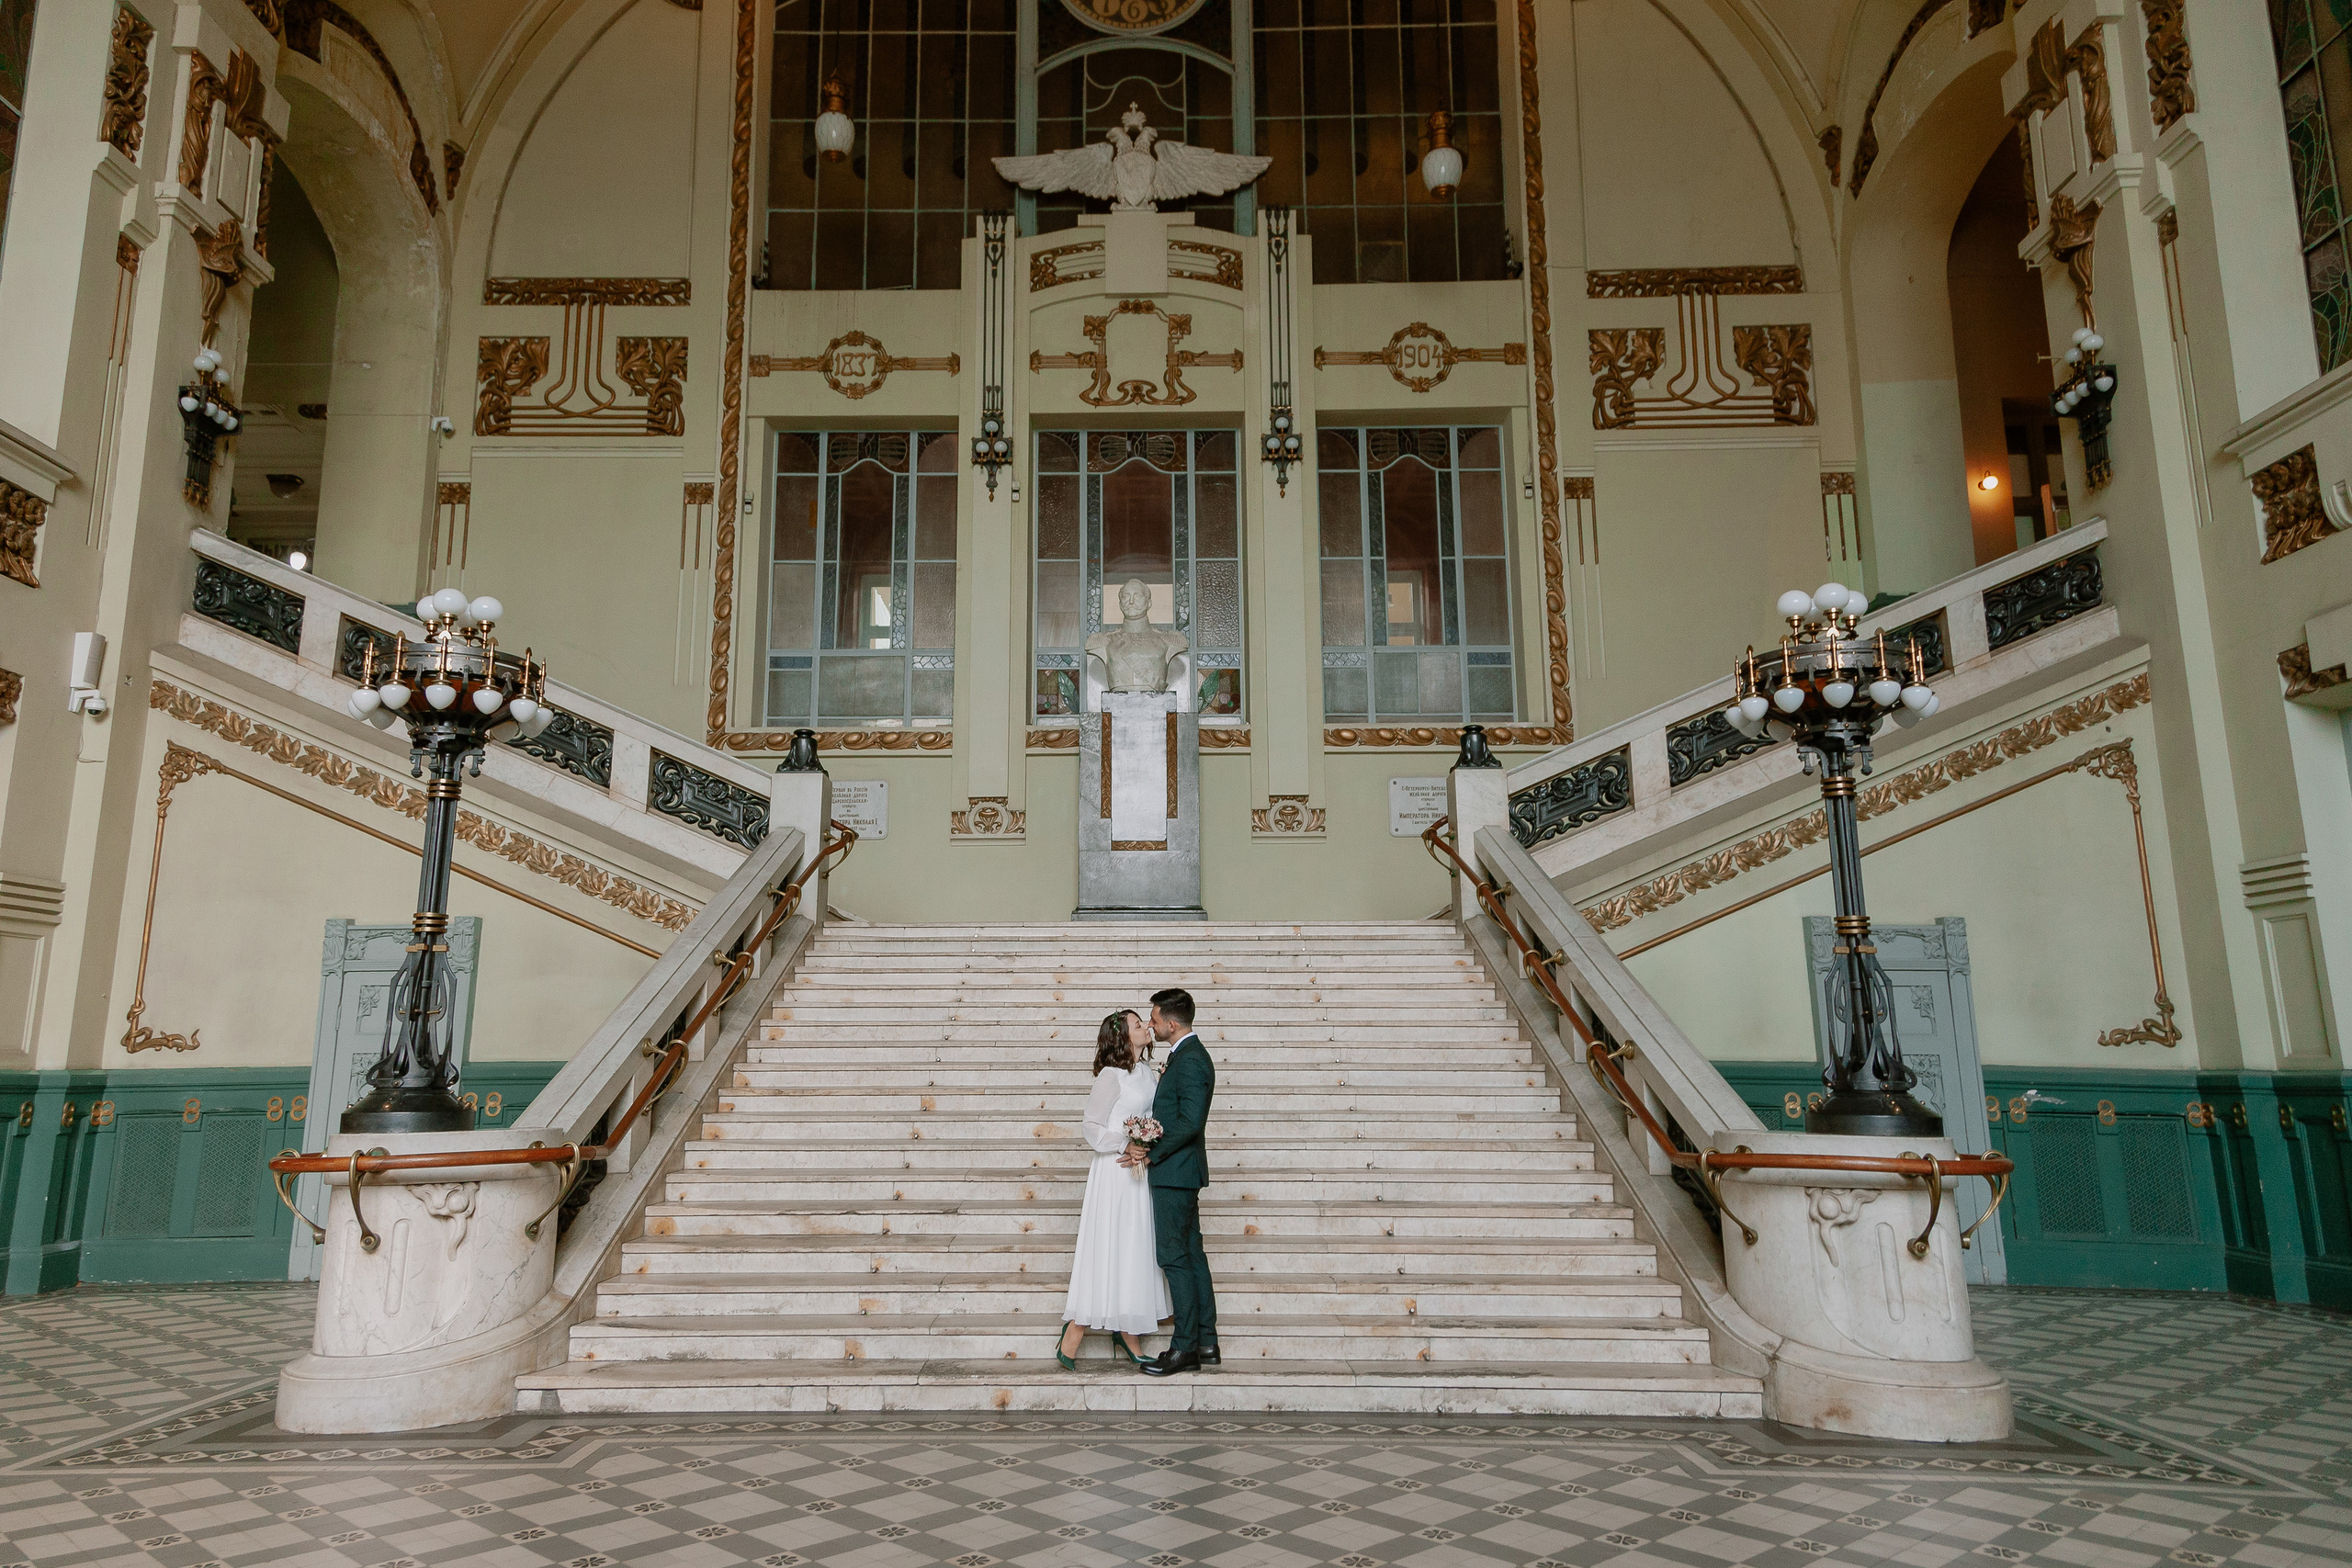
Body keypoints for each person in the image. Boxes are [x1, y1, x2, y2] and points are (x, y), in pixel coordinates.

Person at [1057, 1010, 1169, 1369]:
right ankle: (1074, 1333)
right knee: (1110, 1244)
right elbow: (1090, 1126)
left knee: (1134, 1246)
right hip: (1115, 1171)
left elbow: (1153, 1117)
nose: (1147, 1027)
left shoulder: (1148, 1073)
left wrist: (1147, 1143)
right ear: (1123, 1036)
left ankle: (1128, 1331)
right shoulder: (1110, 1075)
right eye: (1139, 1025)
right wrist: (1125, 1143)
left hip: (1140, 1171)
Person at [1136, 987, 1218, 1375]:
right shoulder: (1185, 1055)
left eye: (1153, 1020)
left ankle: (1184, 1347)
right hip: (1182, 1173)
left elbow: (1190, 1122)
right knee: (1192, 1255)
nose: (1151, 1026)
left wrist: (1152, 1152)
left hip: (1175, 1174)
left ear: (1172, 1023)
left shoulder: (1190, 1060)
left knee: (1175, 1258)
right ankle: (1205, 1341)